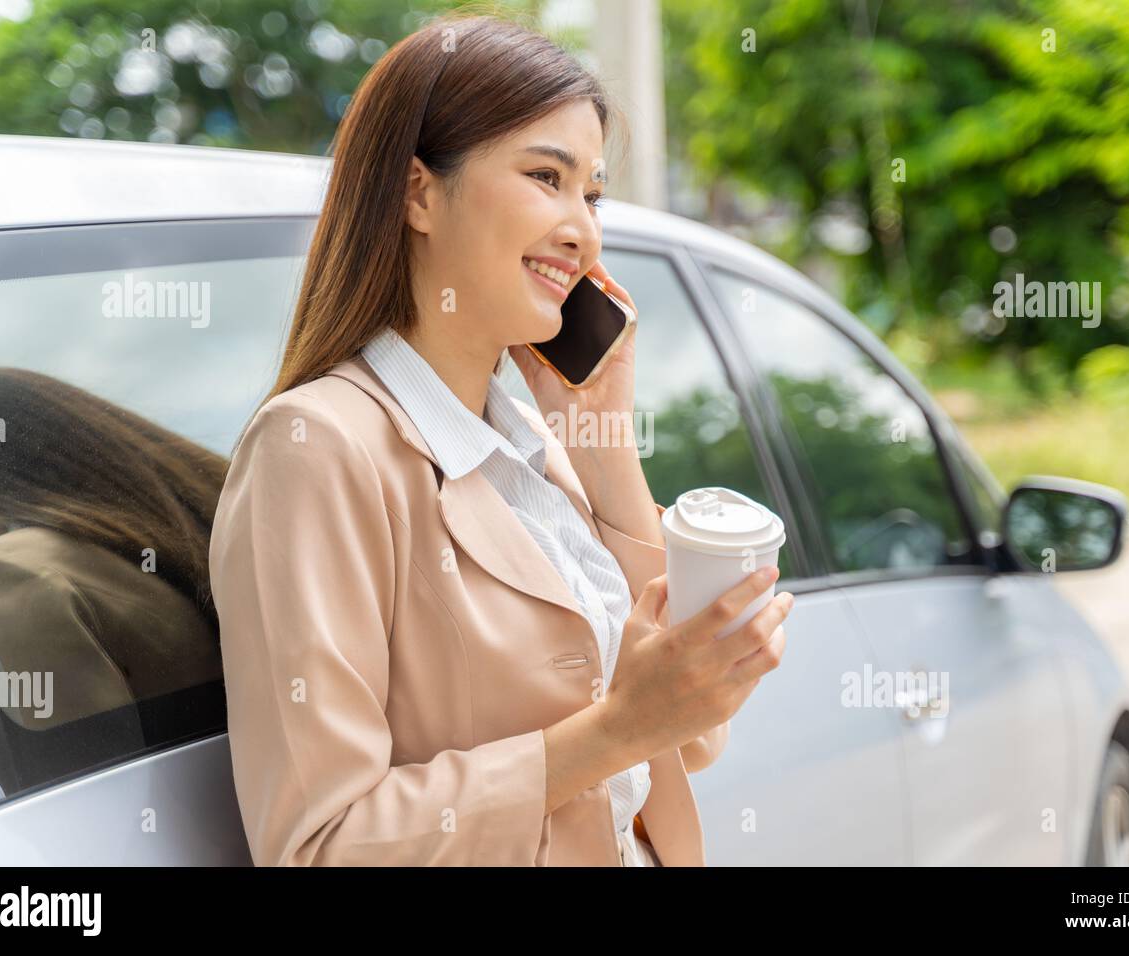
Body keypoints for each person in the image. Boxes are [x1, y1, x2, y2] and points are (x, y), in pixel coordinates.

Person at [208, 11, 792, 867]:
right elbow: (321, 846)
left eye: (591, 193)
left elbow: (692, 738)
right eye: (545, 177)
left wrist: (601, 440)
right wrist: (614, 730)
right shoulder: (318, 448)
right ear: (416, 192)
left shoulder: (523, 441)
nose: (582, 229)